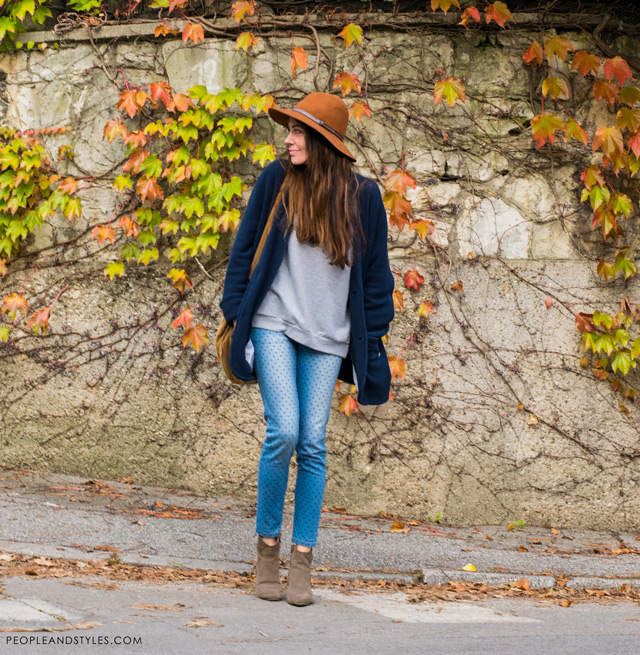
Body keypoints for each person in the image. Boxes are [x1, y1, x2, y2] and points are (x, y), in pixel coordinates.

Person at [219, 92, 394, 606]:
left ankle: (302, 558)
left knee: (313, 444)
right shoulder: (276, 182)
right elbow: (245, 247)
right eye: (289, 130)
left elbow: (376, 276)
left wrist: (373, 337)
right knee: (286, 432)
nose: (288, 139)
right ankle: (267, 550)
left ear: (321, 141)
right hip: (274, 321)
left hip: (327, 336)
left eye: (298, 132)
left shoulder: (364, 197)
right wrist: (237, 312)